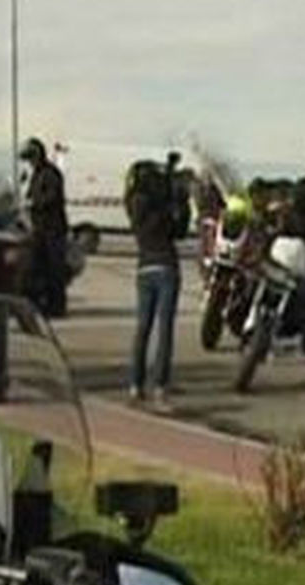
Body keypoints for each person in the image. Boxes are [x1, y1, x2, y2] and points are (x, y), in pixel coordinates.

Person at [125, 159, 184, 411]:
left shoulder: (136, 209)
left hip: (144, 268)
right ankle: (160, 386)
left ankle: (135, 385)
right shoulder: (163, 210)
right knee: (164, 331)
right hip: (166, 266)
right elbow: (178, 230)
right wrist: (179, 201)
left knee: (142, 329)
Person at [19, 138, 69, 318]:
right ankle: (38, 302)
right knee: (36, 266)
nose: (30, 163)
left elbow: (53, 196)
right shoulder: (35, 174)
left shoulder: (51, 174)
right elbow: (28, 193)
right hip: (38, 228)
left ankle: (57, 307)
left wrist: (34, 203)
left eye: (31, 158)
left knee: (54, 268)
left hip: (53, 229)